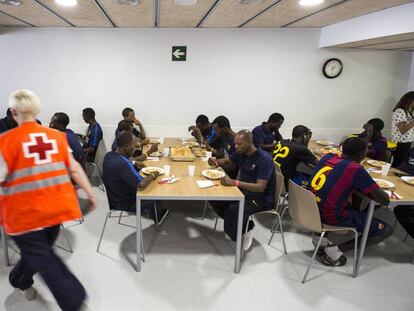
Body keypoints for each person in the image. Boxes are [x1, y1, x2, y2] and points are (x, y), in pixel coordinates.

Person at [0, 89, 97, 310]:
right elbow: (73, 167)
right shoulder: (57, 137)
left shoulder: (5, 141)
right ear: (37, 110)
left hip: (25, 215)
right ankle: (75, 303)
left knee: (40, 253)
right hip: (51, 212)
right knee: (44, 256)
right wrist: (89, 193)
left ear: (13, 112)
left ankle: (19, 279)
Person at [308, 137, 392, 266]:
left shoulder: (327, 157)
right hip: (330, 215)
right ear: (361, 154)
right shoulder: (355, 168)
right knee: (386, 229)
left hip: (311, 208)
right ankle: (334, 251)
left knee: (339, 199)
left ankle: (319, 239)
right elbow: (384, 200)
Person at [208, 130, 276, 251]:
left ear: (250, 142)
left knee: (233, 210)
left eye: (240, 144)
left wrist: (235, 182)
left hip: (262, 198)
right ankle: (239, 226)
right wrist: (215, 161)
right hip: (244, 192)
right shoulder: (241, 152)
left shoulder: (264, 159)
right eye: (235, 144)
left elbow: (260, 187)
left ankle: (246, 229)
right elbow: (227, 161)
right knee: (215, 198)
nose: (236, 147)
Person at [103, 131, 169, 224]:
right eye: (134, 146)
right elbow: (141, 185)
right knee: (156, 189)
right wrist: (154, 174)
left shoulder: (109, 155)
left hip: (114, 198)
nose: (135, 149)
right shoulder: (123, 164)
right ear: (126, 146)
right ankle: (158, 215)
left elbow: (128, 161)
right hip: (127, 203)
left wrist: (133, 163)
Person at [273, 125, 317, 189]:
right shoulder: (301, 149)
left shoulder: (283, 142)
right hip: (285, 184)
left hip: (273, 179)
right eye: (308, 137)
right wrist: (306, 144)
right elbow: (319, 164)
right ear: (304, 136)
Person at [394, 146, 414, 239]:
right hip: (405, 180)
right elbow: (405, 163)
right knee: (400, 209)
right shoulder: (413, 150)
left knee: (403, 210)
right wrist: (396, 171)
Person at [391, 91, 414, 167]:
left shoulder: (409, 112)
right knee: (398, 163)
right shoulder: (400, 111)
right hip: (400, 142)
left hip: (407, 141)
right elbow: (402, 130)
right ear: (410, 100)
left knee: (402, 163)